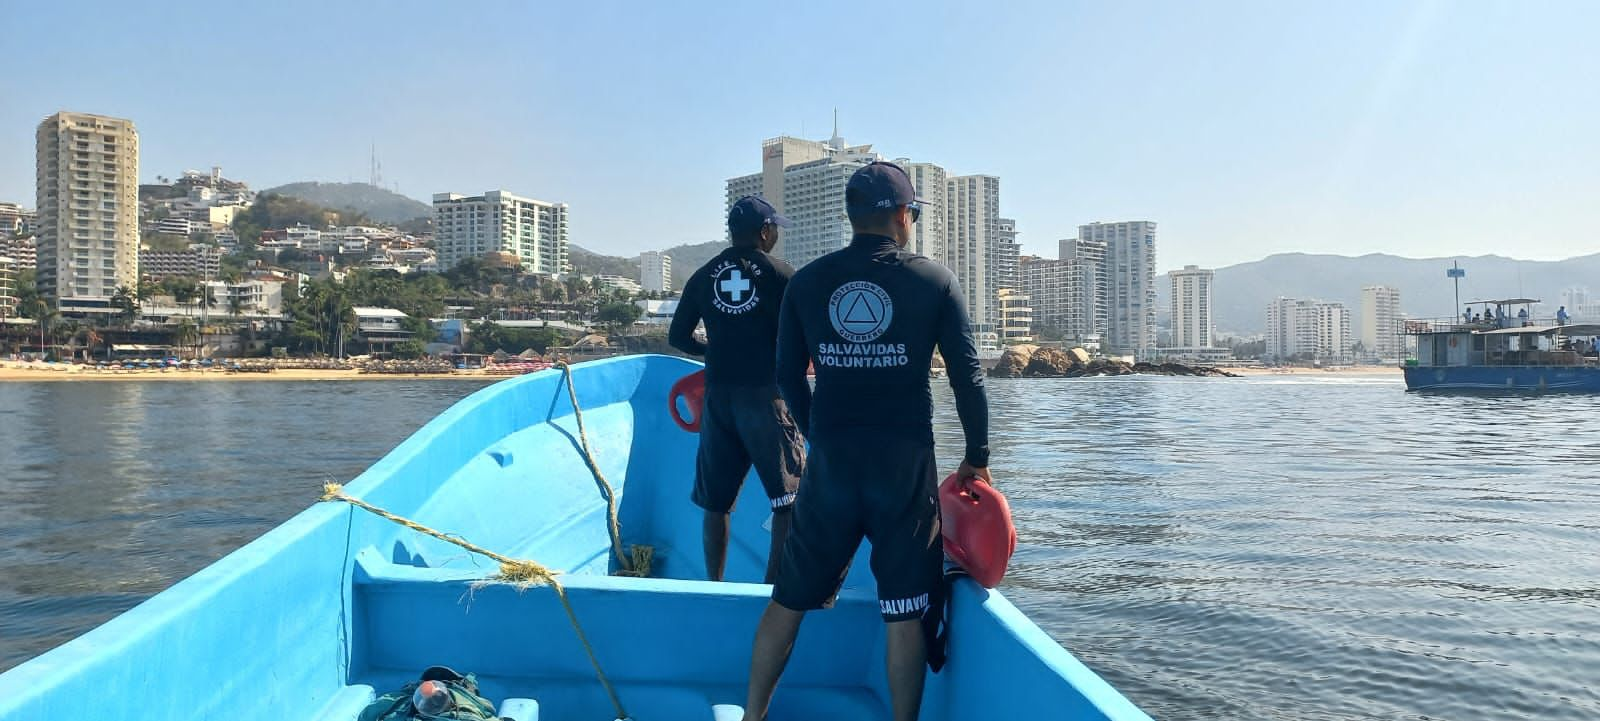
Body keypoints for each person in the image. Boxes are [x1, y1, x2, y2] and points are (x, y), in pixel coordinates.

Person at [739, 162, 991, 721]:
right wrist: (977, 456)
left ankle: (752, 715)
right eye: (913, 213)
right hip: (902, 469)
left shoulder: (807, 282)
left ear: (852, 216)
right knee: (903, 610)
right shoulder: (933, 280)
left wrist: (817, 435)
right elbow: (966, 376)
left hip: (831, 466)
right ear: (904, 215)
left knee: (788, 600)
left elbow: (786, 376)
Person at [668, 195, 807, 583]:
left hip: (719, 401)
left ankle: (714, 585)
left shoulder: (703, 276)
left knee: (717, 504)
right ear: (765, 232)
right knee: (787, 500)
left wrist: (714, 351)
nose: (776, 234)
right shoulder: (782, 275)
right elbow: (804, 337)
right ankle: (771, 590)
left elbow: (678, 336)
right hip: (765, 398)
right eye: (774, 227)